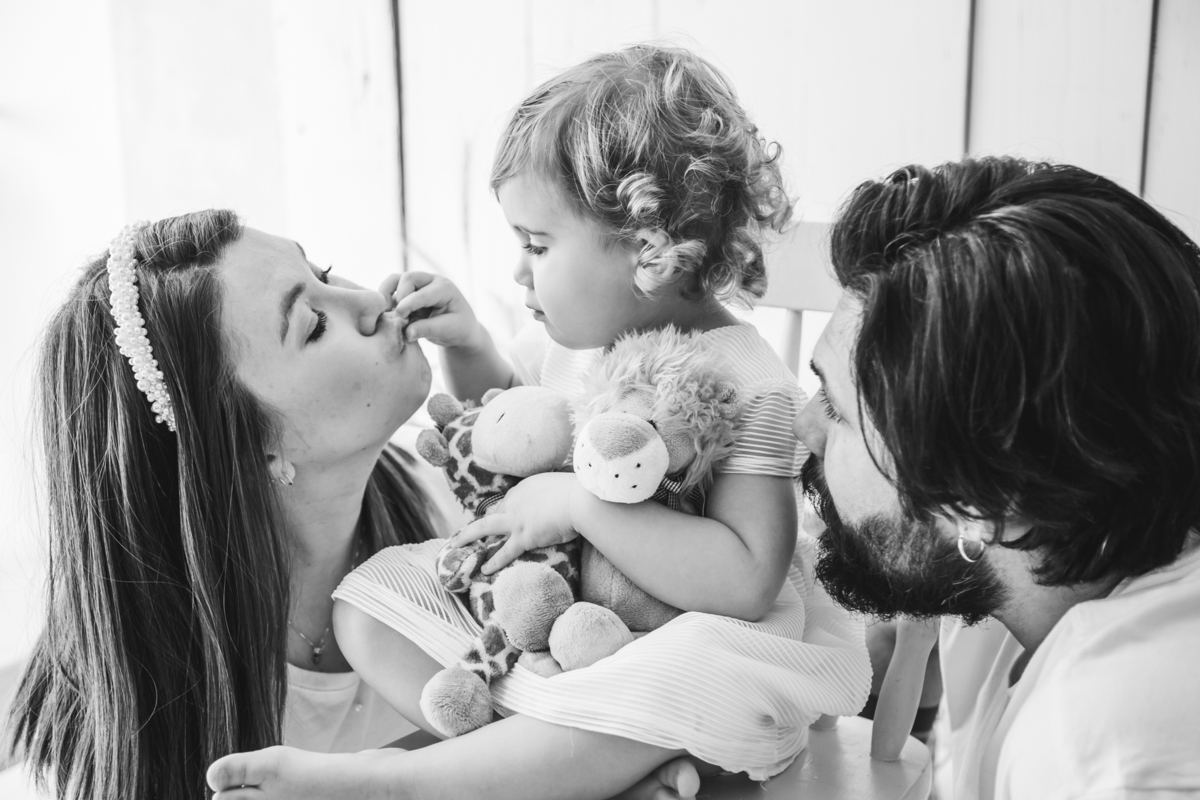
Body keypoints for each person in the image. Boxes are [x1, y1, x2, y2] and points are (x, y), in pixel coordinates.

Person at [207, 44, 869, 799]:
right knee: (367, 608)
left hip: (680, 662)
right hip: (562, 640)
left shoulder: (749, 385)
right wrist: (471, 349)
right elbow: (515, 439)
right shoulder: (576, 345)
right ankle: (560, 772)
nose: (519, 270)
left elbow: (747, 582)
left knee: (687, 667)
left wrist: (580, 506)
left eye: (537, 245)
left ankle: (407, 782)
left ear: (648, 251)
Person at [2, 211, 699, 800]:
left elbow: (646, 697)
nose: (368, 301)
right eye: (313, 324)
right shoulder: (140, 728)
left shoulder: (459, 518)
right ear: (250, 449)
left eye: (327, 274)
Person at [795, 156, 1200, 798]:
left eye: (839, 411)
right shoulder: (1014, 589)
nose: (805, 428)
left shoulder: (1102, 746)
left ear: (982, 500)